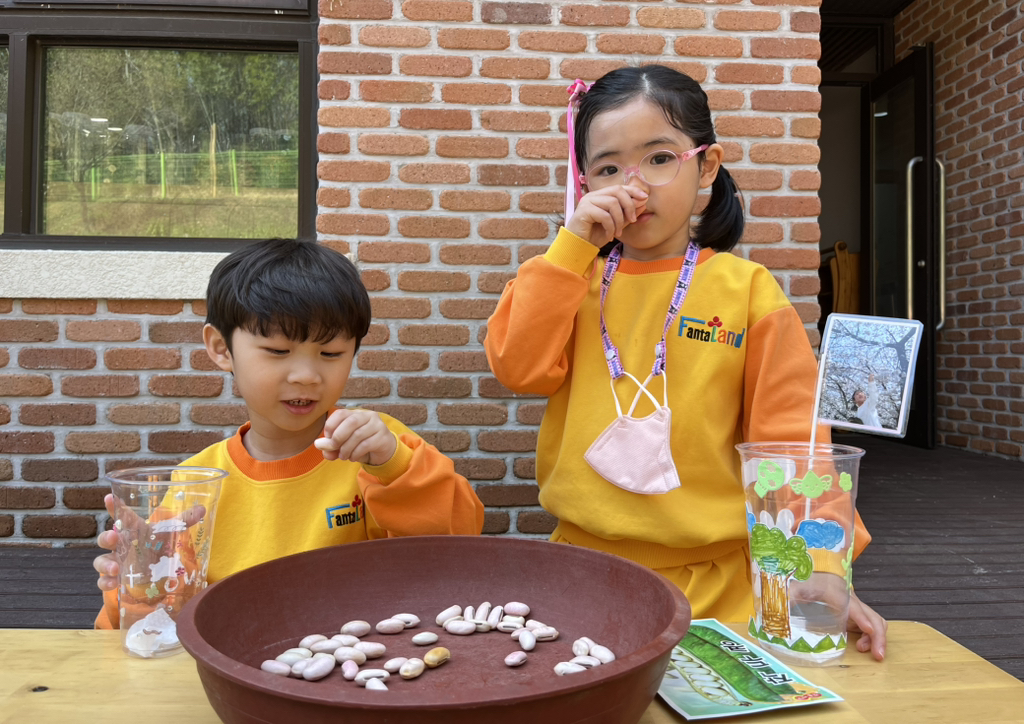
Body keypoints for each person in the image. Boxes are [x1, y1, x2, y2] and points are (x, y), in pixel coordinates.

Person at [484, 65, 887, 660]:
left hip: (719, 587)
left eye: (659, 159)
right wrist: (570, 248)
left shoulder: (748, 291)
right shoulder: (566, 279)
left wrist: (821, 567)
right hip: (580, 576)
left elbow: (791, 440)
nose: (634, 185)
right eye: (608, 168)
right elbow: (518, 367)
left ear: (708, 165)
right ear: (582, 181)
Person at [93, 239, 485, 629]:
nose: (306, 376)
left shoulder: (379, 449)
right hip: (235, 658)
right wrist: (134, 576)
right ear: (221, 348)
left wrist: (392, 464)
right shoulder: (195, 485)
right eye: (278, 351)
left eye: (330, 354)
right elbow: (153, 617)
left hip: (360, 656)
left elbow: (457, 542)